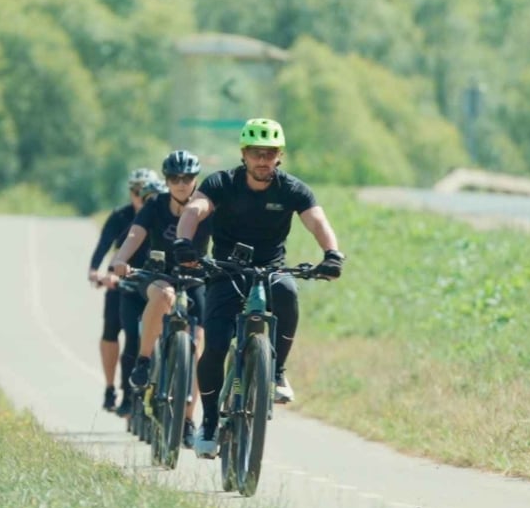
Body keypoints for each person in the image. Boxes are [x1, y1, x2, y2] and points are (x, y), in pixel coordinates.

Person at [171, 118, 344, 458]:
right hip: (225, 270)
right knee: (216, 346)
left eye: (270, 153)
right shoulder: (222, 183)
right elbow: (195, 208)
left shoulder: (292, 189)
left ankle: (276, 372)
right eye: (256, 153)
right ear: (244, 154)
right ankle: (208, 424)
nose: (263, 160)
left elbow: (317, 220)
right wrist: (183, 242)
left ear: (280, 156)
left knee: (288, 292)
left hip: (271, 269)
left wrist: (332, 253)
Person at [109, 149, 212, 448]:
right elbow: (134, 234)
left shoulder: (206, 206)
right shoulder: (154, 205)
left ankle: (188, 420)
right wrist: (121, 259)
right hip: (158, 275)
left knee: (199, 344)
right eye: (174, 178)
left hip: (195, 278)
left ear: (196, 179)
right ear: (166, 180)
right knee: (163, 295)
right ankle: (143, 362)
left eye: (187, 177)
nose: (181, 183)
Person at [88, 168, 159, 412]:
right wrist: (95, 270)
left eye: (148, 191)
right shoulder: (121, 216)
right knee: (111, 331)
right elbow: (103, 245)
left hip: (153, 281)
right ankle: (111, 388)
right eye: (137, 191)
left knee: (139, 336)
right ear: (131, 192)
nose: (142, 196)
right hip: (122, 280)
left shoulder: (161, 213)